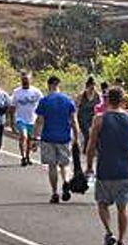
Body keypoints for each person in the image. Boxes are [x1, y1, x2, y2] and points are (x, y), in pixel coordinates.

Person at [86, 86, 128, 245]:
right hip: (126, 171)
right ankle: (122, 239)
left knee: (102, 203)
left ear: (107, 100)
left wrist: (89, 166)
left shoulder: (99, 119)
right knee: (122, 207)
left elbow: (91, 146)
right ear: (123, 100)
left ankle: (109, 231)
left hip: (105, 169)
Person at [34, 76, 79, 204]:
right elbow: (74, 121)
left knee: (52, 166)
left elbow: (39, 121)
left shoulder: (44, 101)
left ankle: (55, 193)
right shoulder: (68, 100)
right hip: (64, 137)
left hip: (48, 137)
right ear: (59, 84)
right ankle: (65, 182)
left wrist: (34, 138)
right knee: (64, 164)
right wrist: (76, 137)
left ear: (48, 85)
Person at [11, 72, 43, 167]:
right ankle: (23, 157)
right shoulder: (17, 92)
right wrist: (12, 121)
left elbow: (43, 103)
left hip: (32, 119)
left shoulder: (36, 92)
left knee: (29, 140)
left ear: (30, 80)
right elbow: (12, 107)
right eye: (23, 80)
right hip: (20, 119)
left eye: (27, 80)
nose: (25, 81)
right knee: (23, 137)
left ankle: (28, 157)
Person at [76, 77, 101, 152]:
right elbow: (76, 107)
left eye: (94, 86)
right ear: (87, 87)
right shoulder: (81, 95)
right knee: (87, 133)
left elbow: (100, 106)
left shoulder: (97, 95)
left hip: (92, 118)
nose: (92, 89)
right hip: (83, 118)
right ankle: (87, 151)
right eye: (91, 87)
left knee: (94, 134)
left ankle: (91, 150)